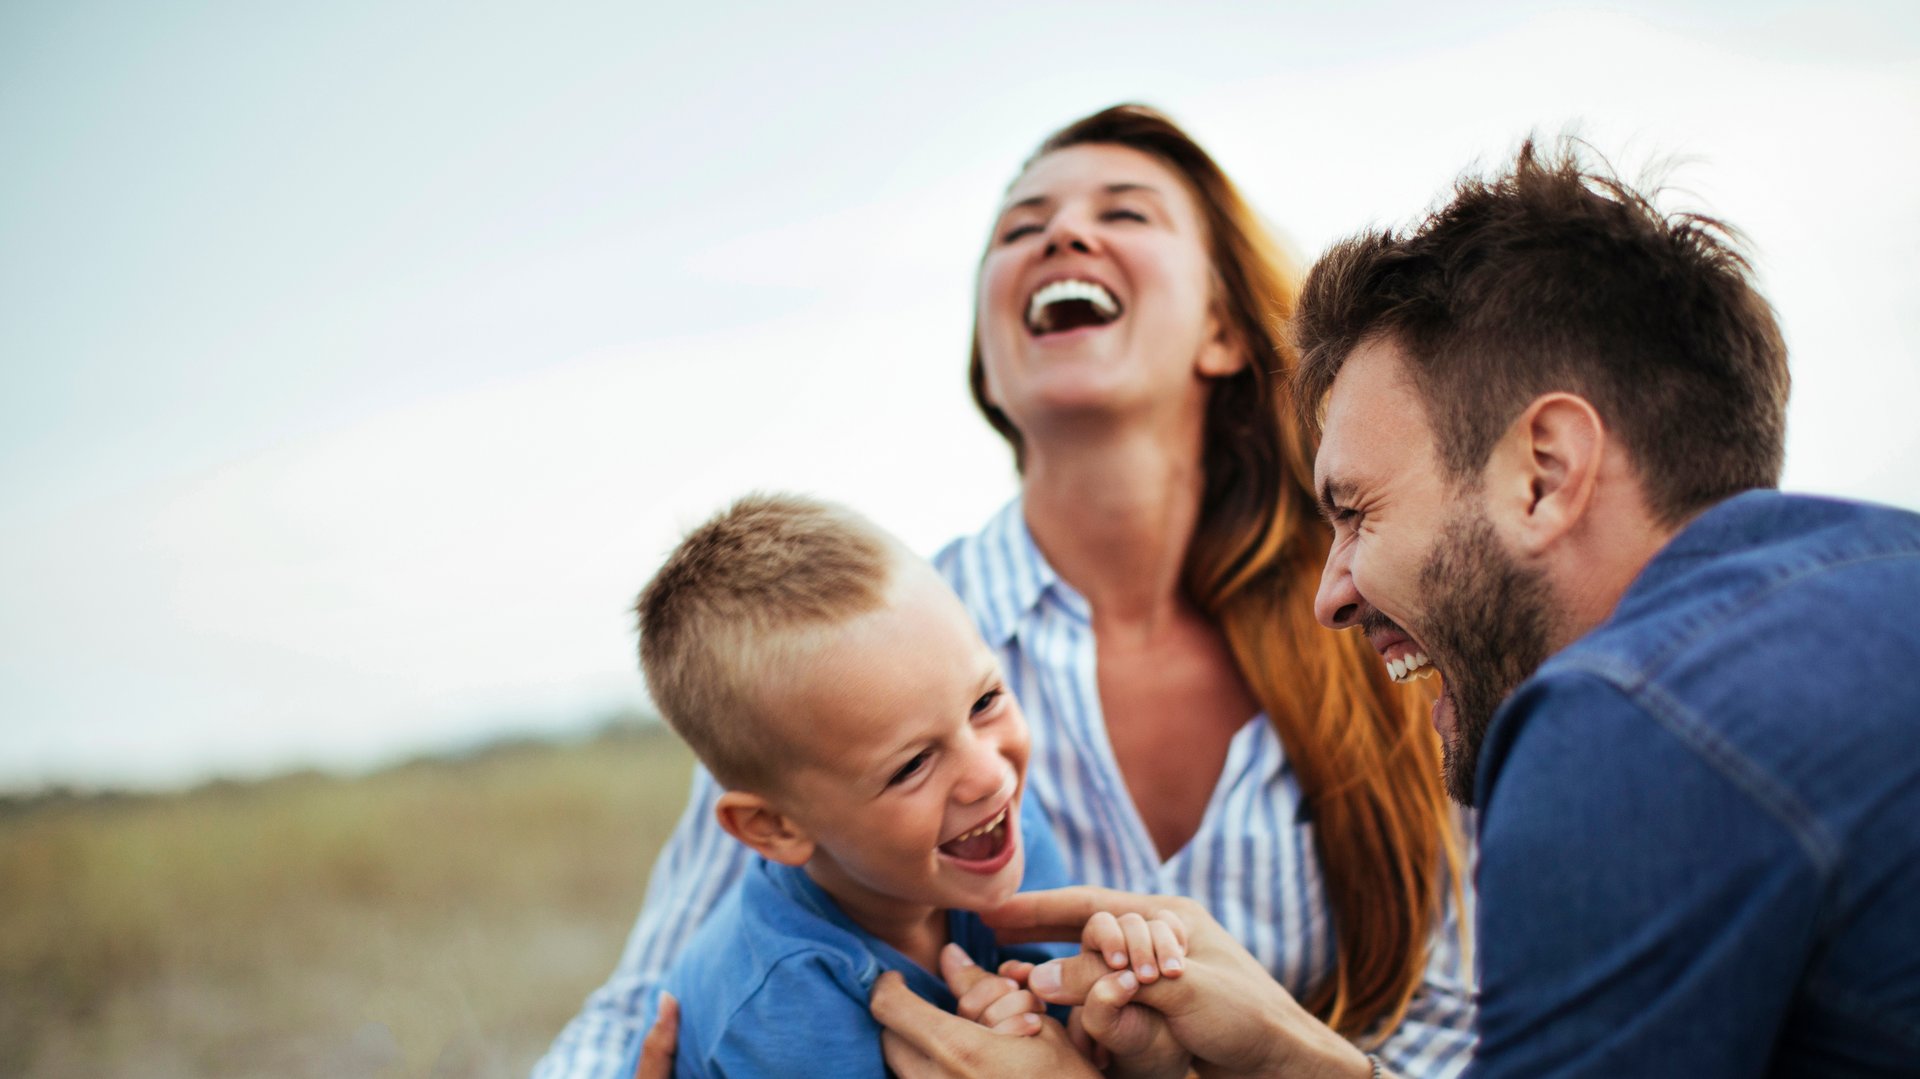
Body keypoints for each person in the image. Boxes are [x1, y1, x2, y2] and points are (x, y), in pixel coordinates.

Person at [873, 139, 1920, 1077]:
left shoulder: (1625, 722)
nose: (1333, 593)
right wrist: (1298, 1055)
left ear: (1544, 474)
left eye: (1359, 510)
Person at [534, 105, 1475, 1079]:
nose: (1064, 234)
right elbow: (645, 1006)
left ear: (1224, 329)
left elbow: (1463, 1024)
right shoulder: (818, 659)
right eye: (1022, 227)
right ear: (989, 355)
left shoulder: (1379, 619)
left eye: (1127, 213)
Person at [626, 493, 1107, 1077]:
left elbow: (1075, 1041)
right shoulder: (778, 1006)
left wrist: (1121, 983)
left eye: (985, 701)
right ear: (776, 827)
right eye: (910, 767)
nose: (988, 776)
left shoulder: (1006, 831)